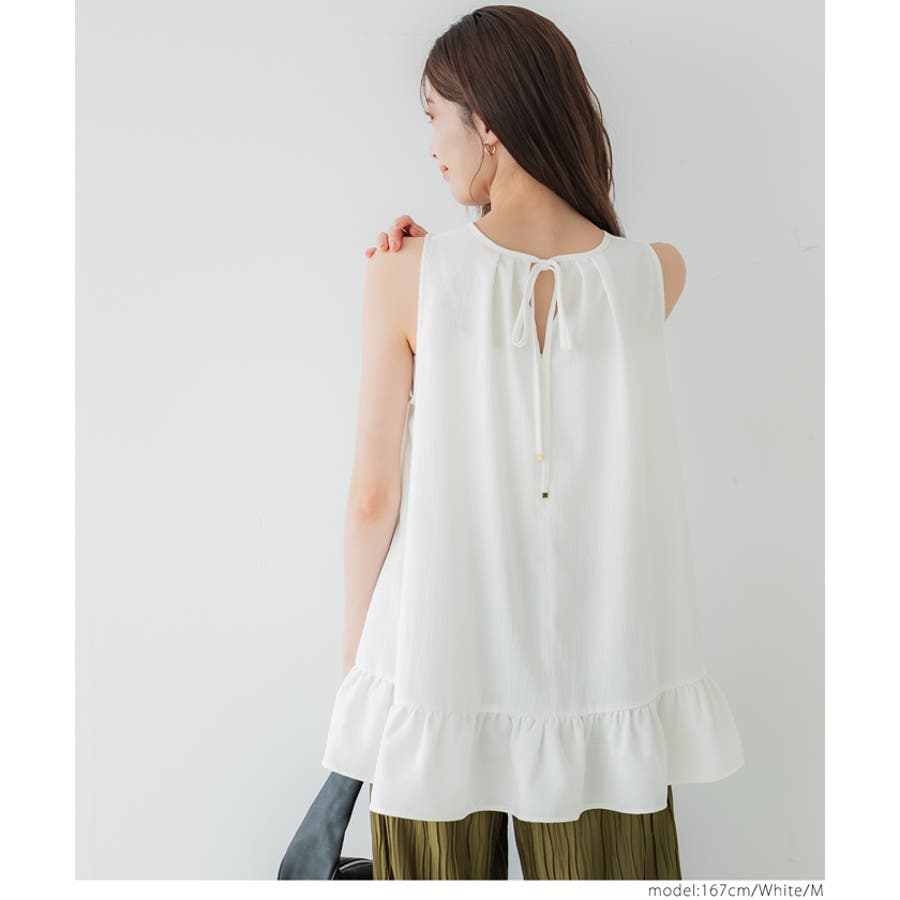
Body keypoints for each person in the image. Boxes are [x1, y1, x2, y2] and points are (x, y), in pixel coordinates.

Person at [321, 5, 744, 880]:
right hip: (601, 680)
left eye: (435, 117)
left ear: (487, 122)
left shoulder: (404, 275)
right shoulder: (655, 273)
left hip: (435, 664)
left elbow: (372, 497)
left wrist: (356, 659)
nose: (431, 146)